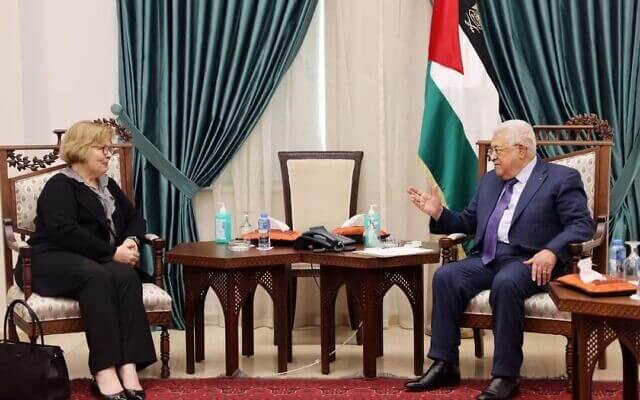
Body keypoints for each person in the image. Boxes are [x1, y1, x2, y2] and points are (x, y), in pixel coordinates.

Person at [405, 120, 594, 400]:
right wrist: (439, 213)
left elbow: (582, 225)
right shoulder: (490, 181)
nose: (492, 156)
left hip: (530, 261)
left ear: (521, 150)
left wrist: (552, 251)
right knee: (446, 276)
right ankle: (445, 364)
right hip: (488, 257)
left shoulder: (560, 179)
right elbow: (467, 221)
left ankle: (506, 376)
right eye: (492, 151)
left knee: (506, 283)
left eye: (497, 150)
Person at [15, 121, 155, 400]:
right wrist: (112, 253)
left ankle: (128, 365)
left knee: (127, 276)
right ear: (80, 149)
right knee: (98, 275)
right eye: (102, 148)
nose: (108, 154)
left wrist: (131, 241)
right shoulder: (60, 185)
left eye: (110, 148)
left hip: (91, 259)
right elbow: (65, 232)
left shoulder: (108, 185)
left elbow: (135, 219)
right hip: (46, 260)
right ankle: (103, 369)